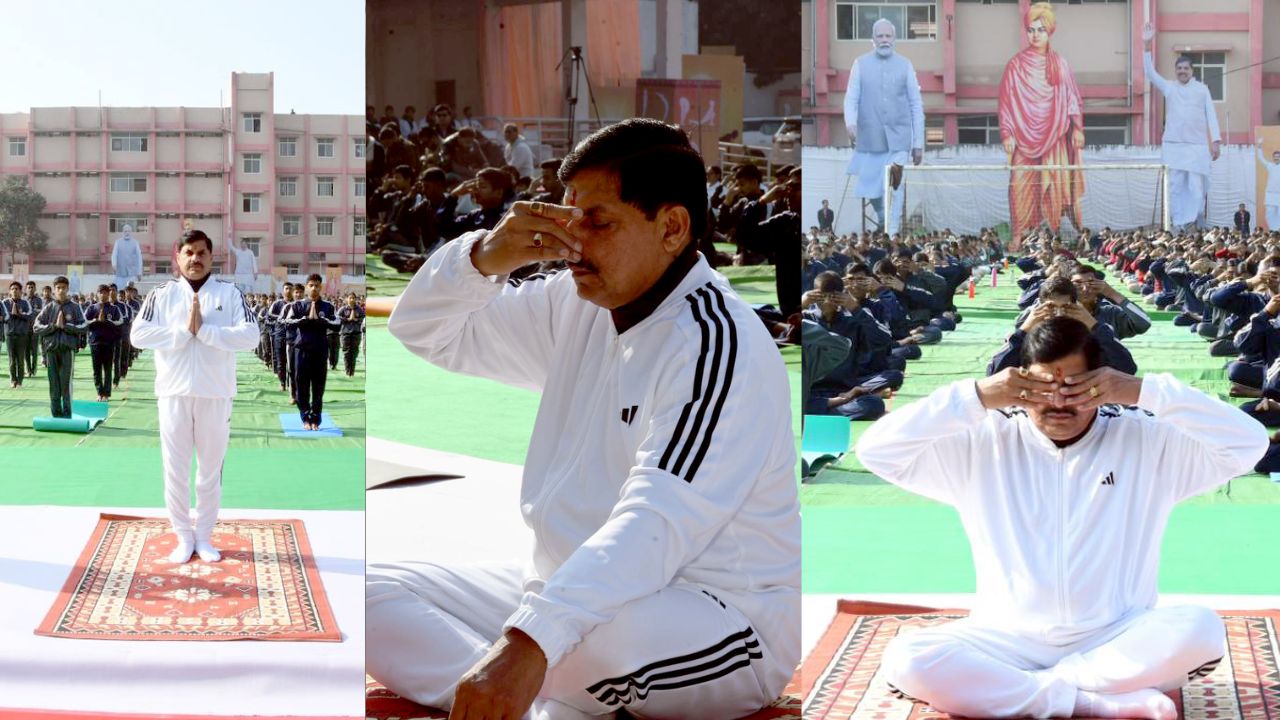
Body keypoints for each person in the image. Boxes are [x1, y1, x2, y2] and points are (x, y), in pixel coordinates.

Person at [367, 119, 800, 718]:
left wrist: (530, 642)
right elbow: (427, 332)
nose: (573, 244)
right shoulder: (574, 303)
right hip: (568, 586)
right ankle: (536, 702)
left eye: (597, 223)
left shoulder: (715, 342)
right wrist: (486, 256)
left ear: (672, 227)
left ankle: (532, 690)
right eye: (568, 221)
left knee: (578, 648)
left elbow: (658, 519)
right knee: (369, 593)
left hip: (711, 613)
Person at [857, 316, 1268, 720]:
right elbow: (875, 450)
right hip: (1005, 639)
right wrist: (975, 397)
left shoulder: (1145, 438)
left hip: (1118, 636)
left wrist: (1146, 392)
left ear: (1103, 384)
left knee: (1201, 630)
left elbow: (1249, 443)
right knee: (907, 659)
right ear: (1016, 386)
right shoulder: (984, 441)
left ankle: (1016, 689)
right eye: (1041, 388)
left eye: (1075, 387)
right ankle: (1093, 702)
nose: (1058, 402)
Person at [131, 229, 260, 564]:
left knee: (209, 471)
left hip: (215, 394)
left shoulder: (229, 293)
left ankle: (203, 537)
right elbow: (138, 335)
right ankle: (182, 538)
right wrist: (181, 332)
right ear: (178, 257)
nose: (195, 259)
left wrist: (206, 331)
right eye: (188, 252)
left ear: (211, 256)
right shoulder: (162, 295)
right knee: (174, 470)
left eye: (201, 252)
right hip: (173, 393)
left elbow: (250, 336)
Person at [999, 2, 1086, 243]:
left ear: (1049, 31)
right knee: (1019, 188)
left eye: (1040, 29)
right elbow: (1006, 102)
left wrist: (1077, 128)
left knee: (1054, 188)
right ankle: (1018, 236)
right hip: (1023, 138)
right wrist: (1007, 133)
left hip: (1055, 135)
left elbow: (1071, 98)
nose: (1035, 35)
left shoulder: (1059, 64)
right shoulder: (1015, 65)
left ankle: (1054, 239)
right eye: (1031, 29)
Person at [843, 18, 923, 236]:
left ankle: (893, 231)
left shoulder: (905, 65)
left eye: (888, 36)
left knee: (894, 184)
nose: (884, 40)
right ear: (873, 40)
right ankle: (882, 220)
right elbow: (851, 98)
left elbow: (916, 104)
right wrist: (850, 122)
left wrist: (918, 144)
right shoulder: (860, 64)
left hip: (899, 139)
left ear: (894, 39)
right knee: (872, 188)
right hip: (870, 139)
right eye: (880, 36)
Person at [1143, 23, 1221, 229]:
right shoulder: (1169, 87)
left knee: (1196, 187)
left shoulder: (1202, 90)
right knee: (1175, 187)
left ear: (1192, 71)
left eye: (1185, 68)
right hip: (1174, 146)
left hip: (1196, 146)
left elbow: (1211, 116)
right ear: (1175, 71)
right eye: (1179, 68)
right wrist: (1147, 45)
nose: (1182, 71)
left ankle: (1196, 218)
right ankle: (1177, 224)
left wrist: (1216, 142)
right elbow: (1150, 74)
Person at [281, 275, 339, 431]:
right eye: (311, 285)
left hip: (320, 350)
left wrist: (323, 321)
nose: (314, 288)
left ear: (321, 287)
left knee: (319, 386)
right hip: (301, 350)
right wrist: (304, 319)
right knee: (302, 385)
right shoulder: (297, 305)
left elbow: (337, 323)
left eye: (317, 285)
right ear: (307, 287)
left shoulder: (328, 306)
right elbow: (287, 322)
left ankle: (316, 419)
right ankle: (305, 416)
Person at [32, 276, 87, 418]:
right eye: (58, 288)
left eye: (63, 287)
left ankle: (67, 413)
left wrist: (67, 327)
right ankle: (56, 414)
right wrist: (53, 326)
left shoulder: (74, 307)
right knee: (53, 382)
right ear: (54, 290)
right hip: (51, 349)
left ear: (68, 289)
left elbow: (84, 325)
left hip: (67, 349)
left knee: (66, 382)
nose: (61, 290)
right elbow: (36, 327)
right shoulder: (49, 307)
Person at [85, 284, 124, 402]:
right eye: (100, 292)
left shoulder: (114, 309)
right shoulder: (92, 308)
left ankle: (106, 394)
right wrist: (96, 320)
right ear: (97, 294)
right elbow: (84, 321)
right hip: (95, 342)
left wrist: (107, 321)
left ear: (109, 294)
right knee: (96, 370)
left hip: (109, 343)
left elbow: (120, 322)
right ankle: (99, 392)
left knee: (107, 369)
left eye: (105, 292)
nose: (103, 295)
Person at [3, 282, 32, 388]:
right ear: (10, 291)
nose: (14, 291)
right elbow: (2, 316)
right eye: (12, 289)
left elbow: (30, 316)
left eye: (16, 289)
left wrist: (19, 314)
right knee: (11, 360)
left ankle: (20, 380)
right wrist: (10, 315)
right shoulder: (4, 303)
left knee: (20, 359)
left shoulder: (25, 303)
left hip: (22, 335)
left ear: (20, 291)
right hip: (9, 335)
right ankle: (13, 380)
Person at [337, 292, 364, 377]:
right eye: (350, 298)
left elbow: (363, 318)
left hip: (356, 334)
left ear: (355, 299)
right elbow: (337, 318)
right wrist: (347, 319)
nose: (352, 299)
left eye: (353, 298)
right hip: (345, 334)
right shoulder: (343, 309)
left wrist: (356, 319)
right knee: (347, 353)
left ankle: (352, 371)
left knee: (354, 353)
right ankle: (348, 371)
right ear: (347, 299)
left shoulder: (359, 309)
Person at [111, 224, 144, 294]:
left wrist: (139, 272)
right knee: (120, 292)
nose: (127, 233)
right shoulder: (118, 242)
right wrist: (114, 264)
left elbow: (139, 258)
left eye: (128, 231)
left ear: (131, 232)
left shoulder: (135, 242)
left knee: (130, 292)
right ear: (122, 232)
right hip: (120, 273)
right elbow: (114, 254)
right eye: (125, 231)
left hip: (131, 273)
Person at [1258, 137, 1280, 231]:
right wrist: (1259, 146)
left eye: (1278, 157)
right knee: (1269, 213)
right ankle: (1273, 231)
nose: (1276, 158)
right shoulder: (1270, 166)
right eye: (1275, 157)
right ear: (1273, 158)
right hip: (1270, 193)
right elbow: (1261, 158)